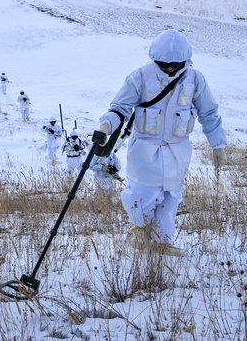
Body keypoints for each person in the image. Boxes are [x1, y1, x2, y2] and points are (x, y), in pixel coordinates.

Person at [94, 29, 226, 256]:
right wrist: (106, 125)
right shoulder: (140, 77)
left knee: (170, 198)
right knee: (142, 195)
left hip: (178, 151)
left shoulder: (195, 79)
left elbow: (210, 113)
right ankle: (139, 232)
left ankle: (162, 242)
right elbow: (120, 108)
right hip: (144, 150)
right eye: (165, 64)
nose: (171, 69)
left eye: (176, 64)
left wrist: (218, 145)